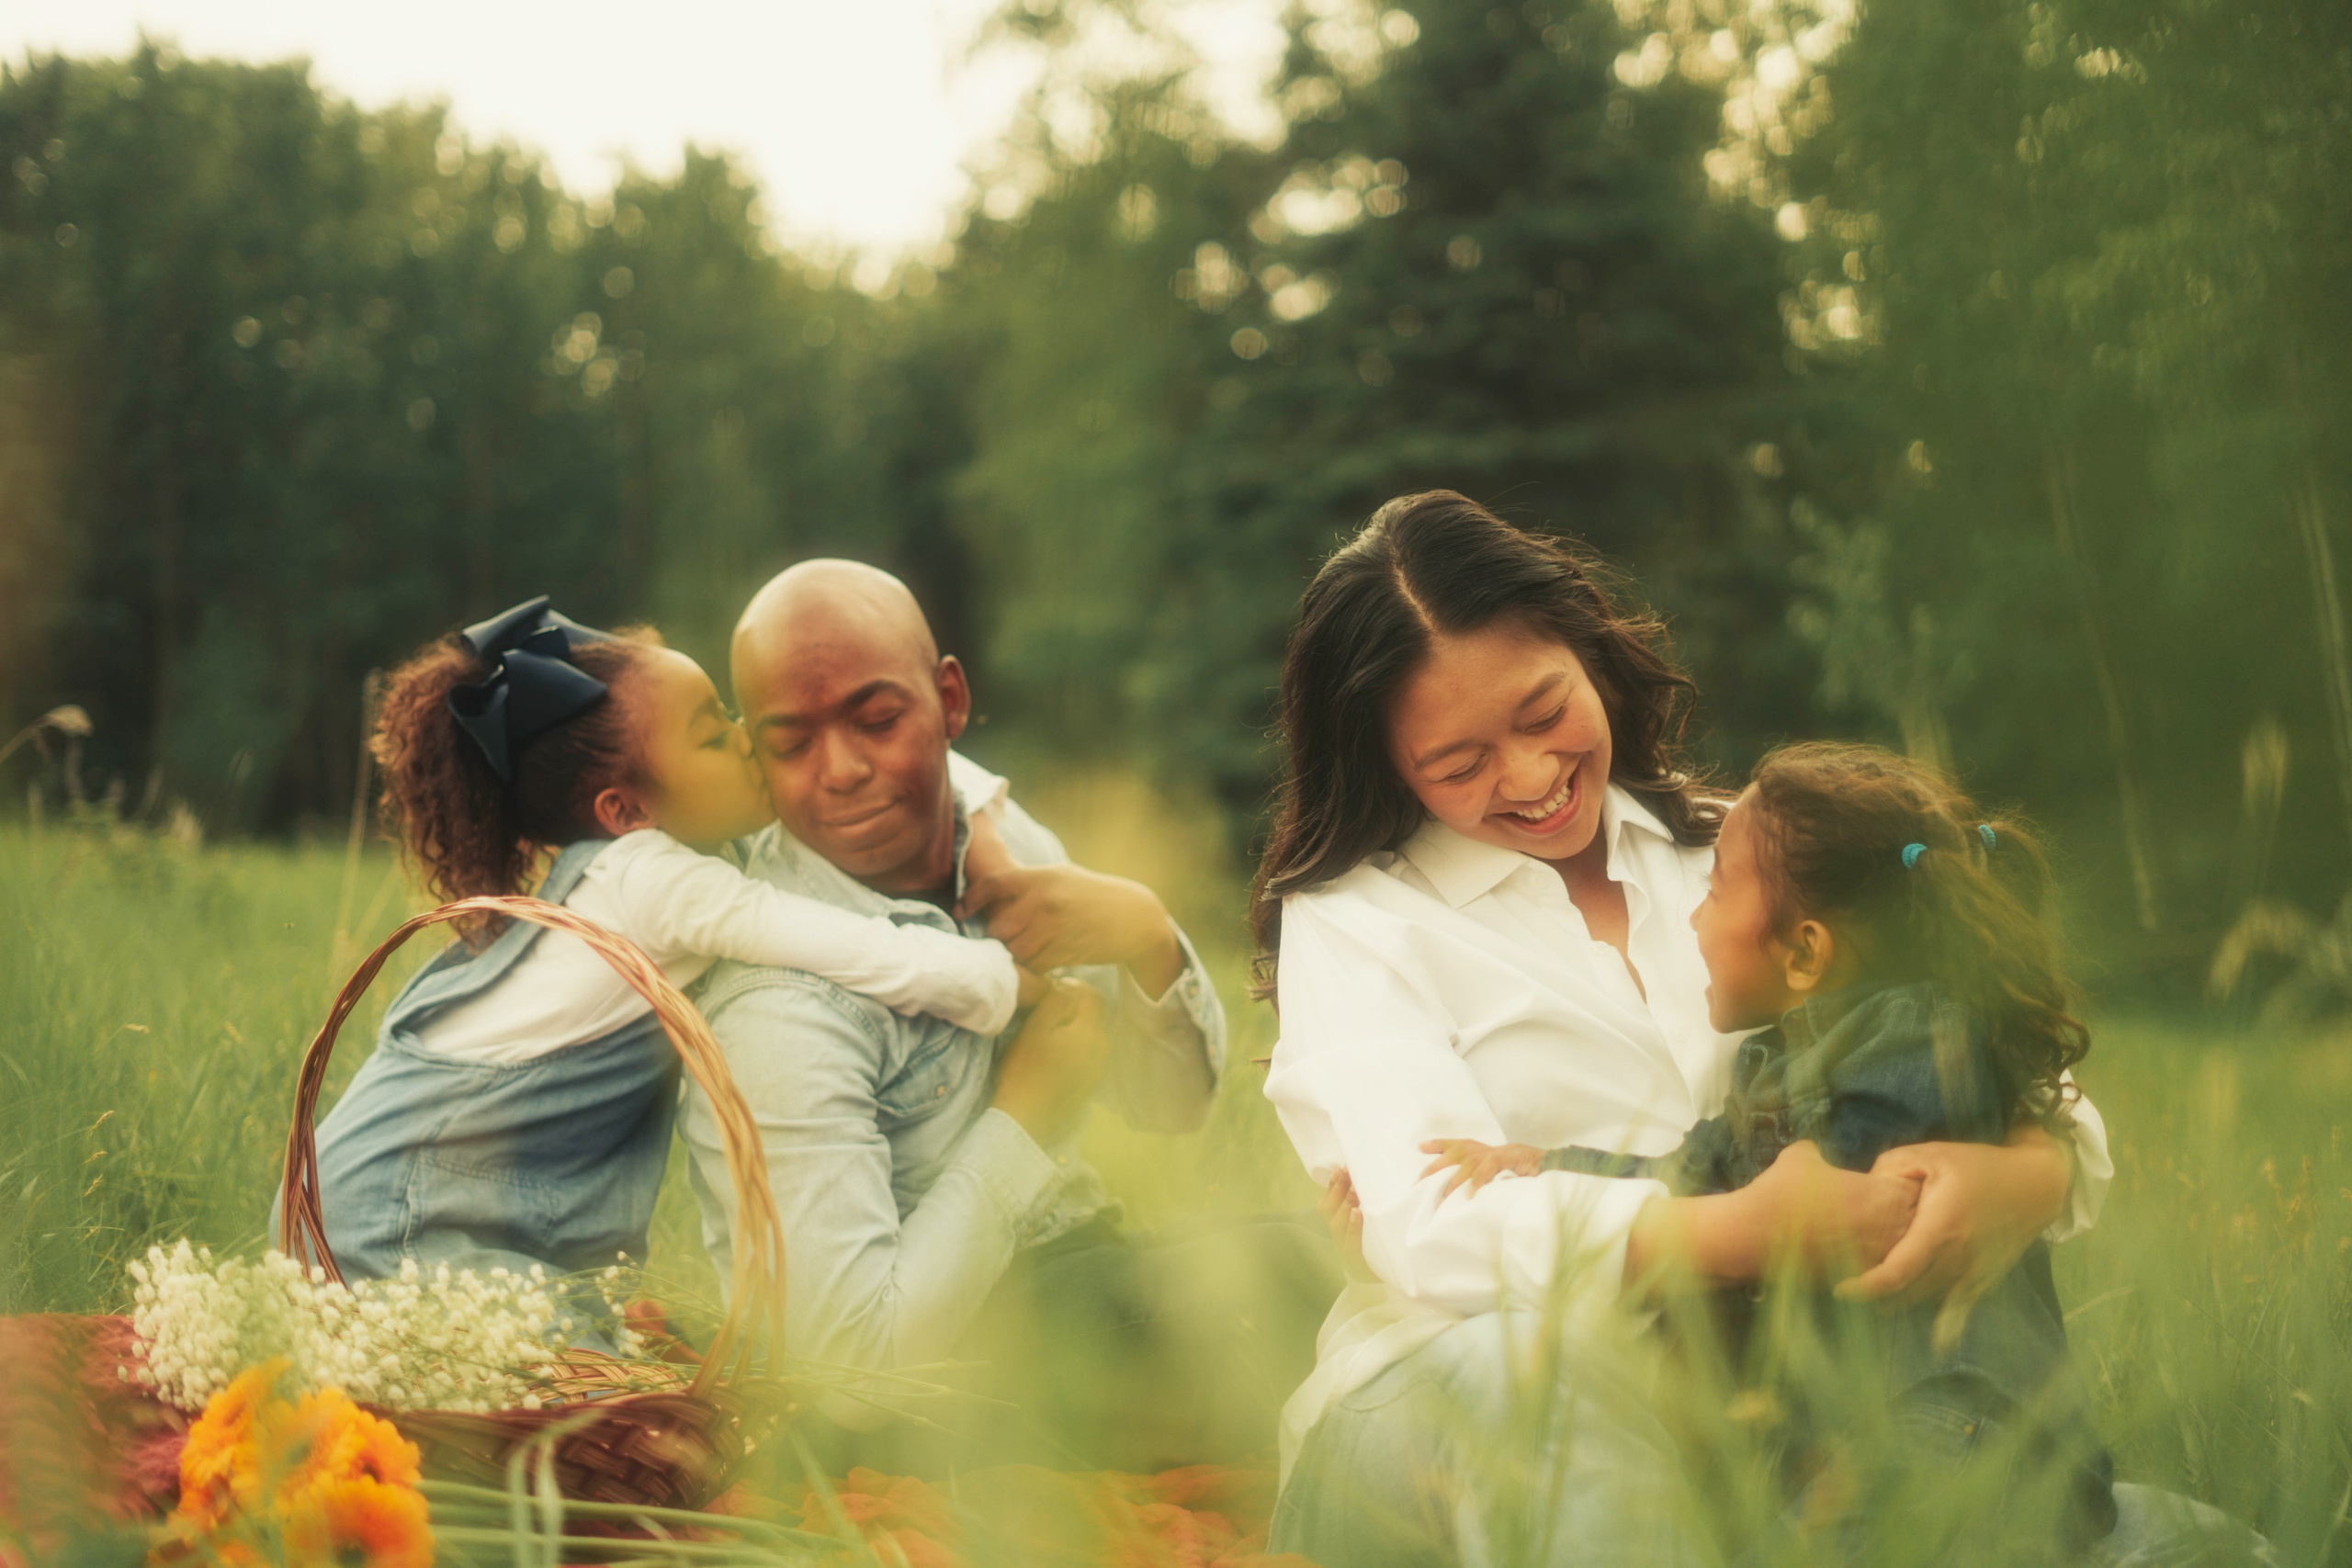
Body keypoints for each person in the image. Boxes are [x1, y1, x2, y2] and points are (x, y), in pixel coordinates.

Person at [1254, 493, 2133, 1567]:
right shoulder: (1356, 920)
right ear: (1388, 765)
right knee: (1537, 1388)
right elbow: (1433, 1222)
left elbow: (1992, 1063)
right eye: (1459, 764)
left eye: (1542, 715)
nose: (1529, 778)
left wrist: (2023, 1179)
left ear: (1587, 653)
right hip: (1453, 1396)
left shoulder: (1740, 852)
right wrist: (1750, 1230)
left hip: (1761, 1416)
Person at [679, 560, 1344, 1474]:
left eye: (877, 721)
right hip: (948, 1382)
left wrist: (1145, 936)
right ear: (754, 753)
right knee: (1318, 1299)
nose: (841, 770)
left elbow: (1171, 1106)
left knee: (1356, 1252)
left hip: (1075, 1271)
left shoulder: (993, 841)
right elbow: (847, 1377)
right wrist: (1024, 1117)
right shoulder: (777, 1008)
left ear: (948, 700)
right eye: (791, 744)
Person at [1419, 741, 2118, 1557]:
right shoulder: (1778, 1060)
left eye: (1715, 890)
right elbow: (1699, 1171)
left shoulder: (1918, 1040)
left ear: (1806, 952)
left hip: (1962, 1430)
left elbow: (1834, 1196)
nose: (1693, 915)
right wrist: (1546, 1163)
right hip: (1861, 1445)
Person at [290, 597, 1030, 1288]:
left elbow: (918, 754)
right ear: (627, 809)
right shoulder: (652, 883)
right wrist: (1001, 977)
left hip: (347, 1198)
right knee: (591, 1401)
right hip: (383, 1222)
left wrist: (982, 820)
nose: (751, 744)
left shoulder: (624, 872)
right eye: (716, 734)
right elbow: (850, 946)